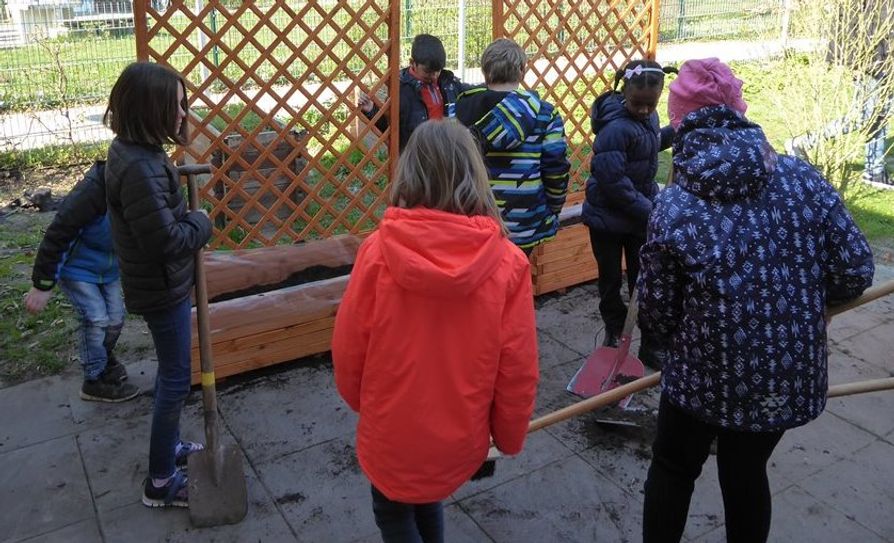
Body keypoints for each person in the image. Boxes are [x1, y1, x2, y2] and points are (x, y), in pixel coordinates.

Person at [637, 58, 875, 543]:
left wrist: (672, 333)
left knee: (673, 468)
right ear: (739, 112)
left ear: (679, 122)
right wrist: (801, 298)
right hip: (783, 374)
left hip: (702, 378)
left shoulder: (676, 204)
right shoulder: (803, 180)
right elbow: (855, 268)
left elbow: (658, 315)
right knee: (745, 475)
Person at [332, 120, 539, 543]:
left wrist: (360, 402)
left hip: (390, 430)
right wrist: (507, 436)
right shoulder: (508, 263)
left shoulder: (376, 253)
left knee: (393, 513)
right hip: (458, 435)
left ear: (409, 174)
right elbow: (517, 368)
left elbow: (349, 346)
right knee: (427, 499)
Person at [103, 62, 213, 509]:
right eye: (178, 106)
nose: (184, 114)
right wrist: (200, 224)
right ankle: (161, 480)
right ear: (151, 110)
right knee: (174, 380)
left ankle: (167, 451)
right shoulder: (140, 169)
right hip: (160, 286)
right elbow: (165, 241)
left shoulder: (137, 154)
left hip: (160, 284)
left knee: (173, 375)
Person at [580, 59, 675, 365]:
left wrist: (675, 130)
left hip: (637, 218)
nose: (646, 110)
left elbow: (647, 144)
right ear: (625, 92)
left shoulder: (646, 116)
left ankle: (649, 341)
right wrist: (650, 209)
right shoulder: (615, 127)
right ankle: (613, 330)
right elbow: (612, 182)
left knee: (643, 281)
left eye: (652, 104)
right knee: (610, 280)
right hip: (607, 219)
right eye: (639, 104)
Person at [24, 160, 140, 403]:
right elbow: (59, 235)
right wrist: (42, 285)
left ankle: (103, 358)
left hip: (108, 270)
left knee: (116, 319)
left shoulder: (138, 192)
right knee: (96, 318)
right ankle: (93, 379)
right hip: (78, 269)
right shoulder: (92, 194)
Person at [452, 37, 570, 253]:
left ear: (485, 71)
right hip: (524, 222)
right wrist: (553, 207)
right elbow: (556, 168)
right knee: (515, 279)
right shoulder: (545, 114)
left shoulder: (458, 112)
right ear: (522, 71)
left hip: (472, 219)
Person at [358, 34, 468, 151]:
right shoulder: (401, 90)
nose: (434, 76)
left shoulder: (448, 82)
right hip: (417, 155)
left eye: (438, 71)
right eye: (428, 71)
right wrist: (371, 110)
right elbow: (389, 126)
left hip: (446, 150)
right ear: (412, 63)